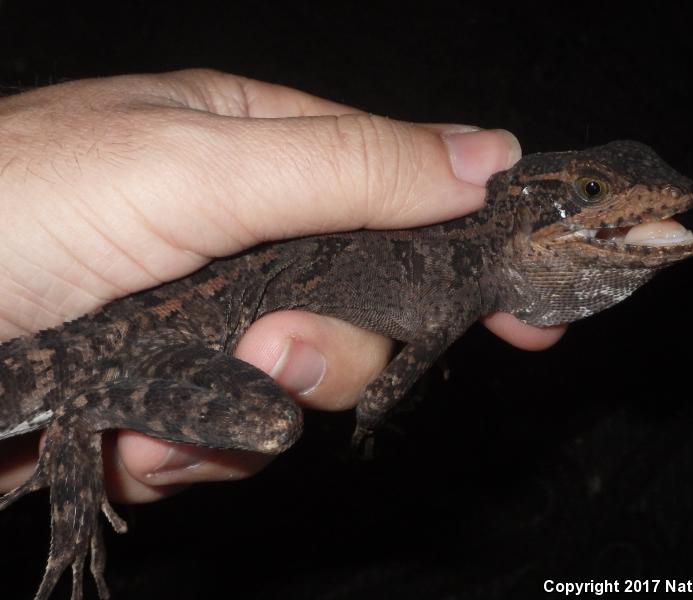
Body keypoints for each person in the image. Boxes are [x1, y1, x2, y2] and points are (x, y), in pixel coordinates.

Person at [0, 69, 564, 503]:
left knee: (263, 418)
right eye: (588, 191)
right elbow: (375, 399)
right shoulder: (463, 228)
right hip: (154, 330)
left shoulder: (464, 264)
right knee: (269, 423)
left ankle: (86, 407)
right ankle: (87, 408)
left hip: (140, 331)